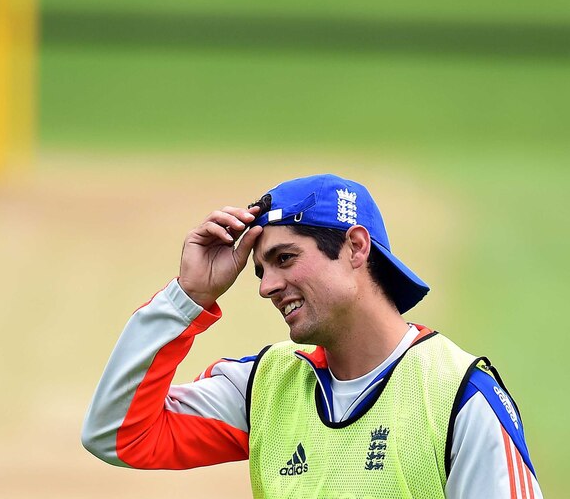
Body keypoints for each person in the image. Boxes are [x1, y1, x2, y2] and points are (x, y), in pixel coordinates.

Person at [82, 173, 543, 498]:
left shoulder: (460, 395)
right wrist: (189, 297)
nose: (265, 287)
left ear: (355, 247)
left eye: (284, 259)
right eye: (260, 271)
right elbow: (116, 434)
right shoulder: (263, 386)